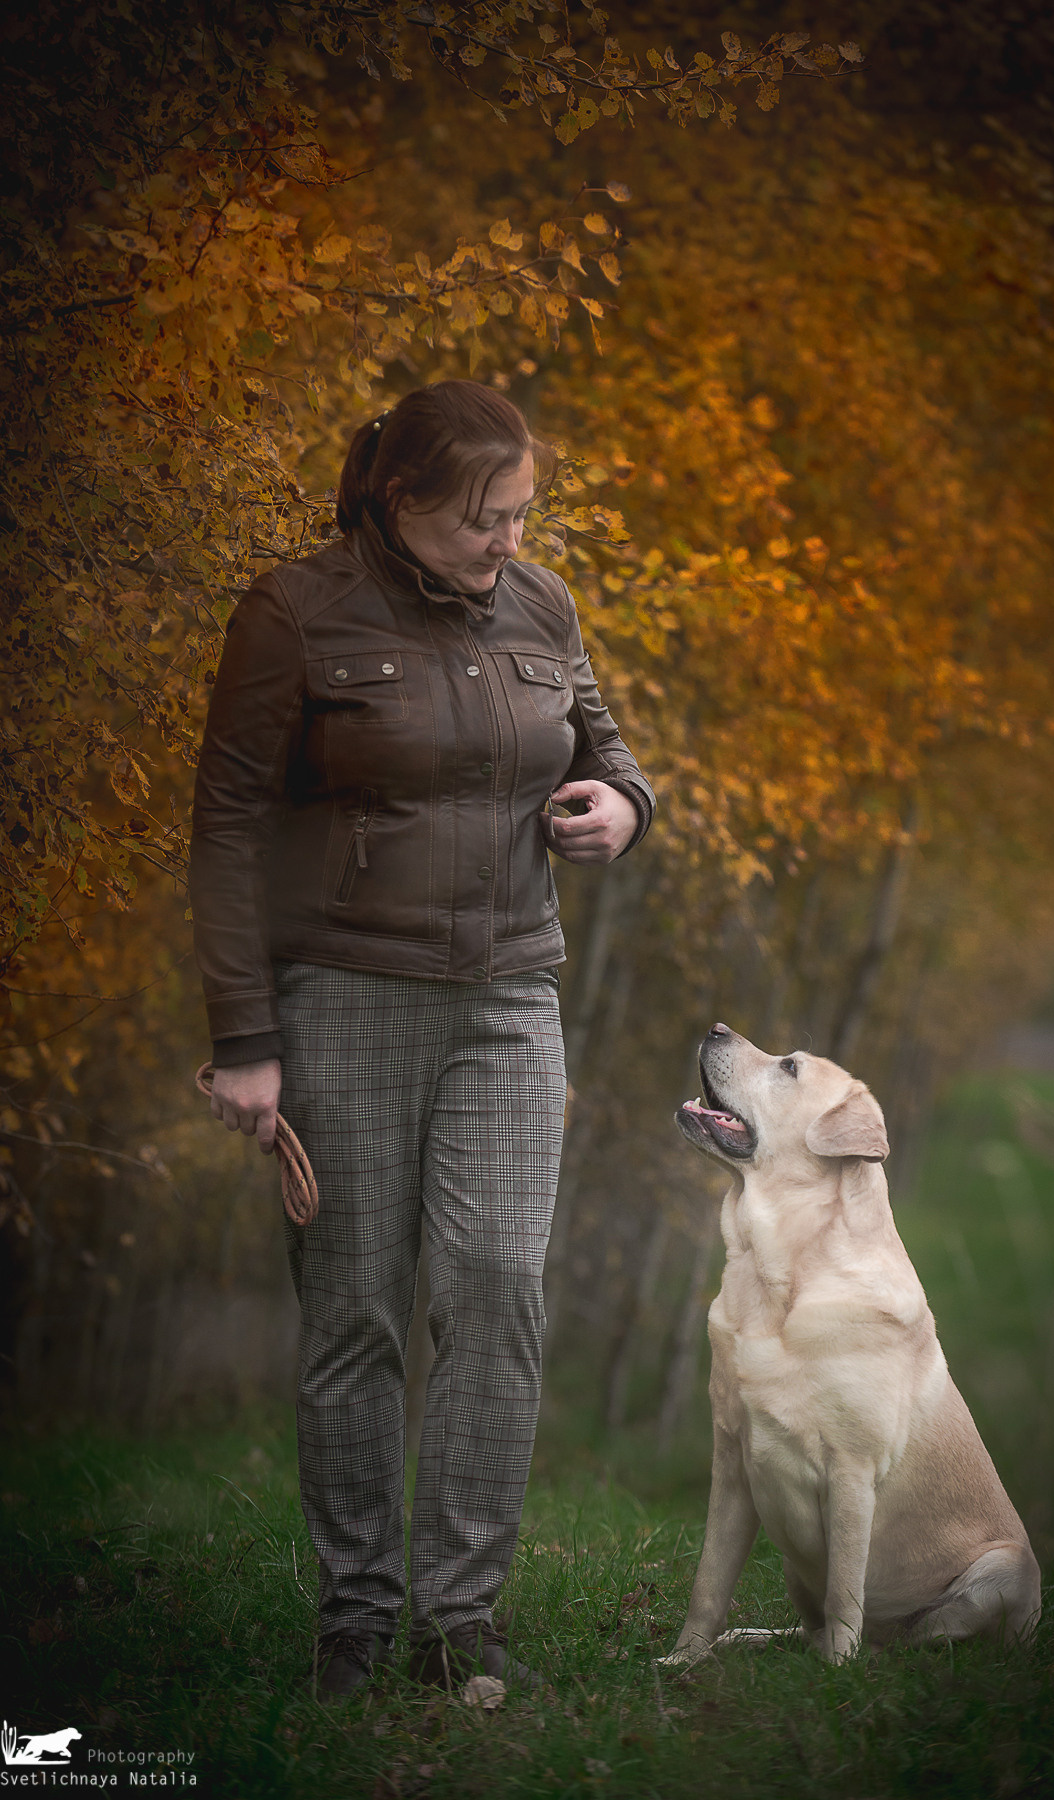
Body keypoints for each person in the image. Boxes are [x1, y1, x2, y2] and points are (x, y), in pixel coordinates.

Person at [190, 380, 655, 1699]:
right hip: (342, 998)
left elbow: (609, 749)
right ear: (399, 501)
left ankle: (461, 1620)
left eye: (519, 515)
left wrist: (620, 806)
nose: (507, 541)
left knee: (499, 1288)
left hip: (511, 999)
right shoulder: (294, 612)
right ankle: (354, 1615)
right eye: (481, 520)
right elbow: (224, 830)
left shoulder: (544, 606)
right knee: (351, 1317)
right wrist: (244, 1039)